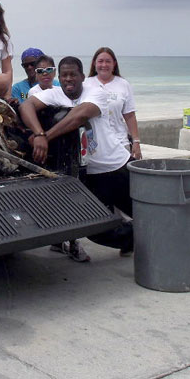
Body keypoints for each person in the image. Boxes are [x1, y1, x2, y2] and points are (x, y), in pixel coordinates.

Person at [19, 56, 133, 256]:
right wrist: (38, 133)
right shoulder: (55, 93)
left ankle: (150, 237)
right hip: (90, 174)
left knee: (144, 213)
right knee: (95, 229)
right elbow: (26, 106)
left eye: (73, 75)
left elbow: (79, 115)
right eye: (64, 75)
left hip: (116, 166)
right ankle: (135, 239)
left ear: (82, 77)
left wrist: (46, 137)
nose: (68, 79)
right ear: (59, 78)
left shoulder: (97, 92)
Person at [85, 47, 142, 159]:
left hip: (119, 142)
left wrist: (136, 141)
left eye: (108, 61)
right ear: (94, 63)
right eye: (100, 61)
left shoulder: (123, 84)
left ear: (114, 64)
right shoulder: (86, 84)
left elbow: (130, 115)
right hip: (95, 145)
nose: (104, 65)